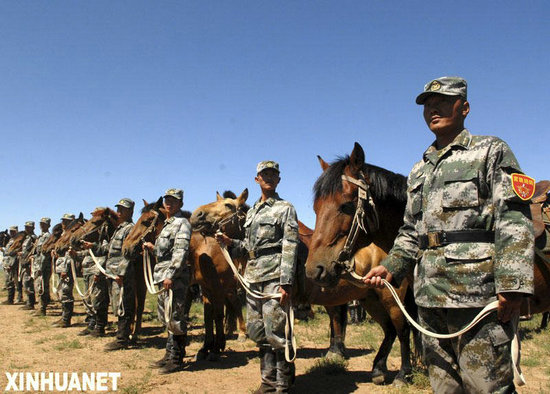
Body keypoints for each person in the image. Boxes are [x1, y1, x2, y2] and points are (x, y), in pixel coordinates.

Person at [362, 76, 534, 393]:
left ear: (464, 107)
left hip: (478, 297)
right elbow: (411, 229)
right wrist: (392, 266)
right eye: (427, 105)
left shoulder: (490, 151)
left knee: (488, 387)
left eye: (442, 102)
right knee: (444, 388)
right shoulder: (420, 169)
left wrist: (512, 285)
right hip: (428, 296)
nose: (433, 109)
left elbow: (513, 218)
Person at [216, 161, 299, 393]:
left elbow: (290, 245)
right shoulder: (252, 211)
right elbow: (249, 246)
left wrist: (286, 282)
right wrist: (231, 243)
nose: (269, 178)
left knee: (277, 330)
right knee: (256, 330)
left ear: (279, 180)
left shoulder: (286, 208)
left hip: (274, 276)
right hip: (253, 277)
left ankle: (281, 384)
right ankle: (268, 380)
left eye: (273, 174)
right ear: (257, 179)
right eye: (264, 174)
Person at [143, 189, 192, 374]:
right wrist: (152, 248)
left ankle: (177, 358)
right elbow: (165, 252)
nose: (169, 203)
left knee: (175, 316)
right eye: (167, 200)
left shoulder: (182, 224)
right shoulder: (167, 224)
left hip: (174, 277)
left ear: (180, 204)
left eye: (174, 201)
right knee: (167, 317)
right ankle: (169, 354)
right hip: (163, 275)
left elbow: (180, 252)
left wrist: (171, 274)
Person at [82, 199, 135, 345]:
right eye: (118, 208)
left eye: (123, 209)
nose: (119, 211)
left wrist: (122, 273)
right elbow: (107, 249)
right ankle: (121, 335)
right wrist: (92, 246)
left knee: (123, 304)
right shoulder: (119, 228)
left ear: (130, 212)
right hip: (112, 273)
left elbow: (128, 253)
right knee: (117, 303)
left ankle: (122, 338)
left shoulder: (130, 229)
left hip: (120, 274)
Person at [52, 213, 76, 327]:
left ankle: (66, 319)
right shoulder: (64, 234)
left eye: (66, 221)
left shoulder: (72, 234)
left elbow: (69, 254)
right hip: (61, 267)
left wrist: (65, 270)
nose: (63, 223)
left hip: (66, 268)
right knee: (62, 293)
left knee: (66, 292)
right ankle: (63, 317)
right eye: (63, 221)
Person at [31, 218, 52, 315]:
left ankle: (42, 309)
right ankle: (40, 307)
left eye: (44, 224)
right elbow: (38, 253)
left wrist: (40, 267)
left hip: (43, 266)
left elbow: (45, 253)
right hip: (38, 264)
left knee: (42, 287)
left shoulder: (47, 236)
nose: (42, 226)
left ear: (48, 226)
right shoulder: (40, 236)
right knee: (38, 285)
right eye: (41, 224)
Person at [19, 221, 37, 310]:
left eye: (28, 227)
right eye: (26, 227)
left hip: (29, 264)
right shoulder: (26, 238)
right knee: (25, 283)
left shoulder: (33, 238)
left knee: (28, 282)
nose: (26, 228)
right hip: (24, 262)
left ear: (33, 228)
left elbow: (35, 251)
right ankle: (29, 302)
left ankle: (31, 303)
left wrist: (30, 259)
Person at [1, 226, 19, 305]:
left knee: (10, 281)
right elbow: (8, 252)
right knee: (8, 281)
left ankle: (10, 299)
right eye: (11, 231)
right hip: (7, 262)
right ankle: (9, 298)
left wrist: (11, 264)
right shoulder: (10, 240)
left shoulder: (16, 241)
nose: (11, 233)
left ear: (16, 232)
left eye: (13, 231)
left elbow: (13, 254)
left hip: (11, 263)